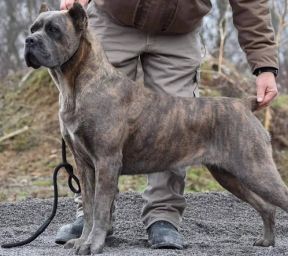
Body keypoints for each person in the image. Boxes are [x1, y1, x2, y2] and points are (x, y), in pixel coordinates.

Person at [55, 0, 279, 249]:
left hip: (180, 27)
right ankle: (92, 222)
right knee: (93, 132)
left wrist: (265, 65)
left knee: (176, 129)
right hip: (113, 16)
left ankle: (164, 217)